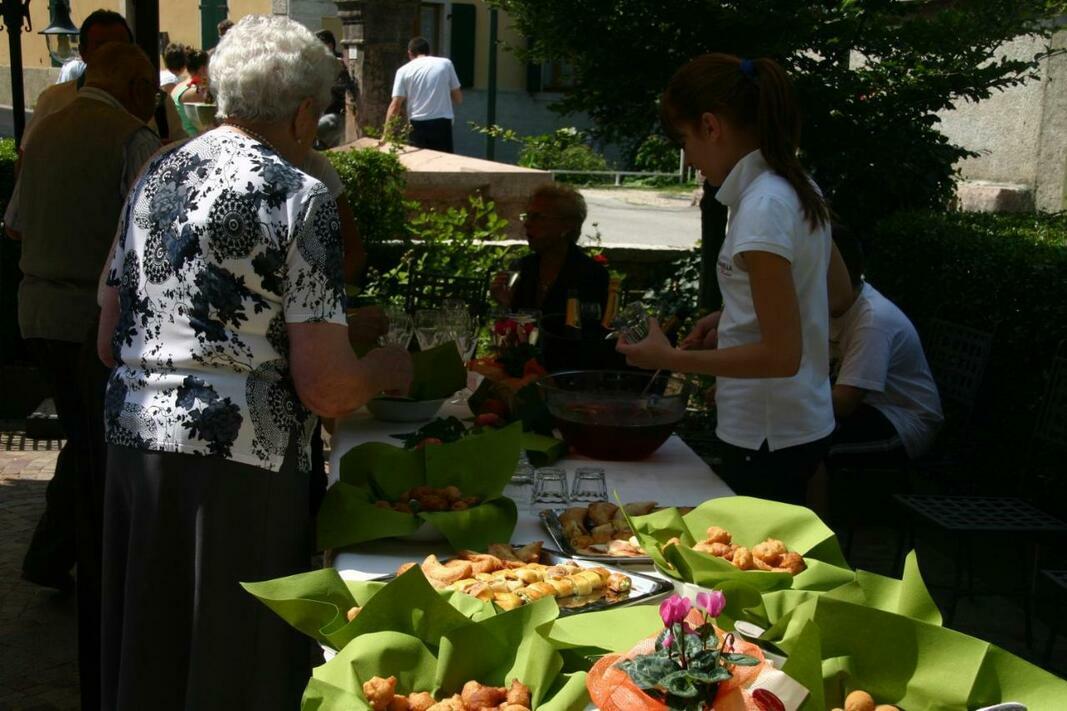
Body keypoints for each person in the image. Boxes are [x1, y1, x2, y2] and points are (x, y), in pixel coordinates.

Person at [96, 16, 411, 710]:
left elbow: (108, 336)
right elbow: (327, 388)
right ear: (301, 112)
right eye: (319, 115)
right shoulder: (299, 195)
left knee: (154, 649)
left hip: (134, 442)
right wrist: (386, 368)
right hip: (242, 462)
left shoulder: (156, 173)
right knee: (236, 662)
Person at [11, 42, 162, 711]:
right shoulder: (131, 138)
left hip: (35, 308)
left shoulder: (42, 131)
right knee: (96, 459)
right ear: (134, 84)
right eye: (149, 88)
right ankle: (81, 573)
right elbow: (145, 243)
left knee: (81, 444)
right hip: (90, 317)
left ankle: (50, 556)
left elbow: (14, 225)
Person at [617, 54, 839, 505]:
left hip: (766, 433)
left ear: (710, 126)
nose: (687, 157)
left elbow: (782, 355)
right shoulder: (795, 186)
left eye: (684, 140)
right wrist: (734, 313)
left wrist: (669, 357)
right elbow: (834, 292)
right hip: (797, 423)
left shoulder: (763, 205)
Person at [827, 226, 943, 467]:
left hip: (902, 420)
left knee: (815, 450)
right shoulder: (825, 306)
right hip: (864, 409)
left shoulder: (873, 321)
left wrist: (788, 393)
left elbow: (844, 403)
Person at [24, 9, 186, 145]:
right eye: (101, 47)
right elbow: (26, 160)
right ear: (83, 52)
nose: (112, 54)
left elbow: (181, 153)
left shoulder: (157, 103)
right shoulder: (54, 100)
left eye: (120, 47)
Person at [491, 183, 609, 317]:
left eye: (538, 217)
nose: (527, 224)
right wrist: (506, 303)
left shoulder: (592, 275)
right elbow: (516, 324)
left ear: (567, 225)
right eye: (528, 216)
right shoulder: (523, 268)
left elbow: (592, 326)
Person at [385, 36, 462, 152]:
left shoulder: (403, 71)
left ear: (410, 53)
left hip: (417, 124)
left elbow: (395, 105)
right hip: (442, 123)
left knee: (419, 160)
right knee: (443, 160)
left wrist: (385, 135)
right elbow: (458, 98)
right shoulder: (446, 64)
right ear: (428, 51)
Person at [315, 29, 359, 149]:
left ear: (330, 45)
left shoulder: (341, 61)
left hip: (336, 112)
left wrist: (342, 71)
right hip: (320, 111)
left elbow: (347, 86)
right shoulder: (318, 62)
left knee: (316, 131)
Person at [170, 47, 210, 136]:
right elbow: (207, 124)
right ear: (203, 69)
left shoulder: (179, 87)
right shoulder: (194, 92)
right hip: (190, 139)